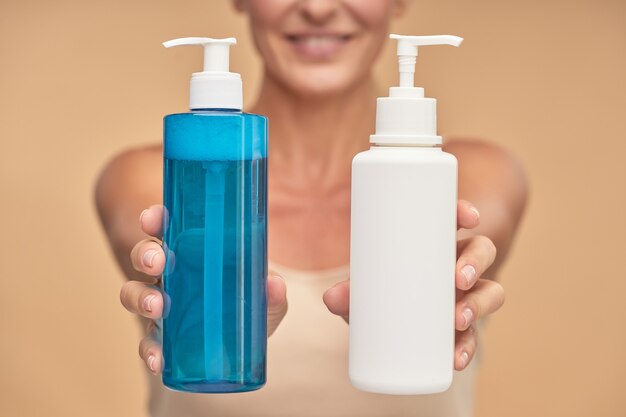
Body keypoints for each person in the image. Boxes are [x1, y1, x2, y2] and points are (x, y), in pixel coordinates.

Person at [96, 0, 527, 416]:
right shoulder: (153, 179)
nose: (318, 7)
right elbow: (174, 273)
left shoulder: (476, 179)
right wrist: (215, 315)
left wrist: (434, 297)